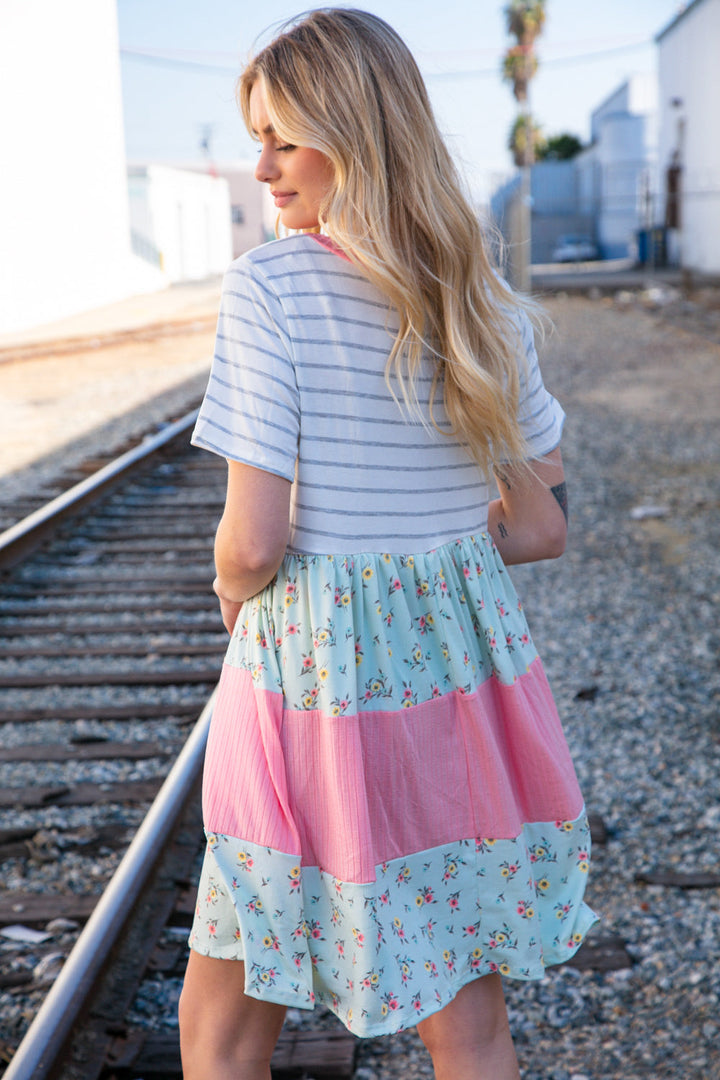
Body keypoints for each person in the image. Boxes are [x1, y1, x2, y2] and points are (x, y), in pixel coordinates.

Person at [178, 10, 598, 1079]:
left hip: (310, 684)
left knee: (226, 1019)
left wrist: (234, 594)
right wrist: (433, 551)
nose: (262, 166)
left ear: (351, 132)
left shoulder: (269, 289)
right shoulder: (483, 298)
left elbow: (254, 539)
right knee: (470, 1026)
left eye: (283, 138)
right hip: (458, 687)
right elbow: (542, 524)